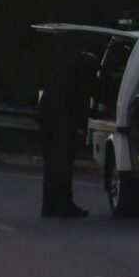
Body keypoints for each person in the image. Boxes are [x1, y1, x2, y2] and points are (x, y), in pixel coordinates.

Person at [38, 42, 95, 218]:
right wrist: (78, 127)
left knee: (51, 168)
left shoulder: (61, 74)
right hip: (59, 128)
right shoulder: (73, 79)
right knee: (62, 167)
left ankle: (49, 206)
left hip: (48, 125)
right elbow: (74, 106)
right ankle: (63, 205)